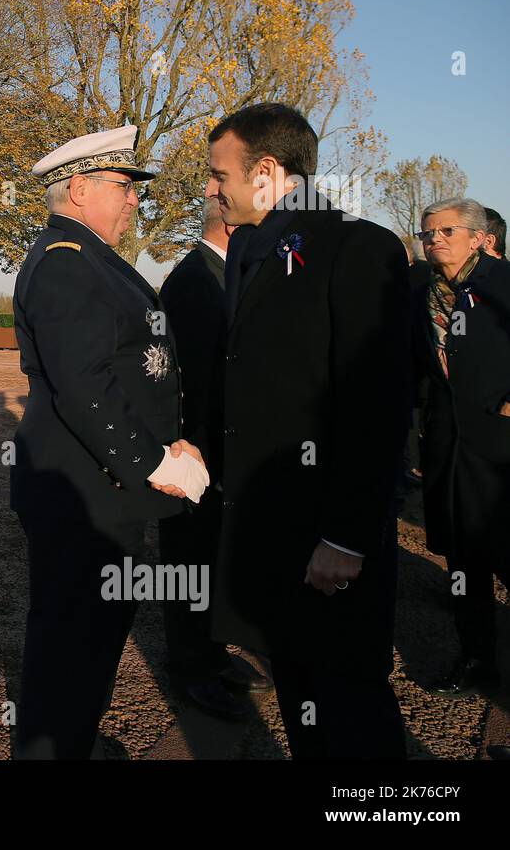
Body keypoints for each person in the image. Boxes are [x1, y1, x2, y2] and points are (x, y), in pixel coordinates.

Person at [205, 102, 411, 760]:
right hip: (271, 543)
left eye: (219, 174)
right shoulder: (250, 251)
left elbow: (376, 406)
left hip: (331, 552)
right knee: (305, 714)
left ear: (267, 170)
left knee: (353, 715)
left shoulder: (360, 246)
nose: (211, 189)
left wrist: (346, 537)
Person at [10, 124, 208, 760]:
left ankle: (69, 740)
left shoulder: (89, 256)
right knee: (71, 639)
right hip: (85, 492)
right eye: (123, 186)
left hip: (99, 485)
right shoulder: (67, 263)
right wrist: (155, 462)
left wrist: (173, 445)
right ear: (78, 188)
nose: (133, 200)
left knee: (89, 637)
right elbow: (85, 387)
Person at [158, 197, 270, 721]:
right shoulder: (196, 279)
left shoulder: (219, 272)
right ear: (231, 226)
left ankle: (210, 653)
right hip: (197, 452)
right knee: (188, 563)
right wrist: (199, 452)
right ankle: (190, 668)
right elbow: (196, 381)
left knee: (210, 561)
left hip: (217, 450)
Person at [410, 199, 510, 711]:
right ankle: (477, 660)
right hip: (448, 452)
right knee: (463, 564)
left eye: (447, 231)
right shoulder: (418, 292)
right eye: (428, 233)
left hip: (501, 451)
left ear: (478, 237)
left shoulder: (503, 286)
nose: (435, 240)